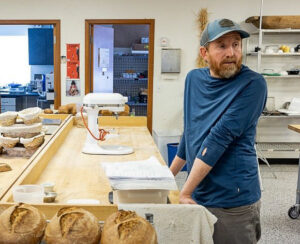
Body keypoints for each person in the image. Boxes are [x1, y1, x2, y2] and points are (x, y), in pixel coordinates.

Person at [170, 18, 267, 244]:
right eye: (221, 46)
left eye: (236, 44)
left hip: (233, 200)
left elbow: (218, 139)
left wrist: (184, 192)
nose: (231, 52)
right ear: (204, 52)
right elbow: (191, 132)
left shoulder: (253, 84)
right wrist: (168, 177)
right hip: (199, 190)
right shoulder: (193, 79)